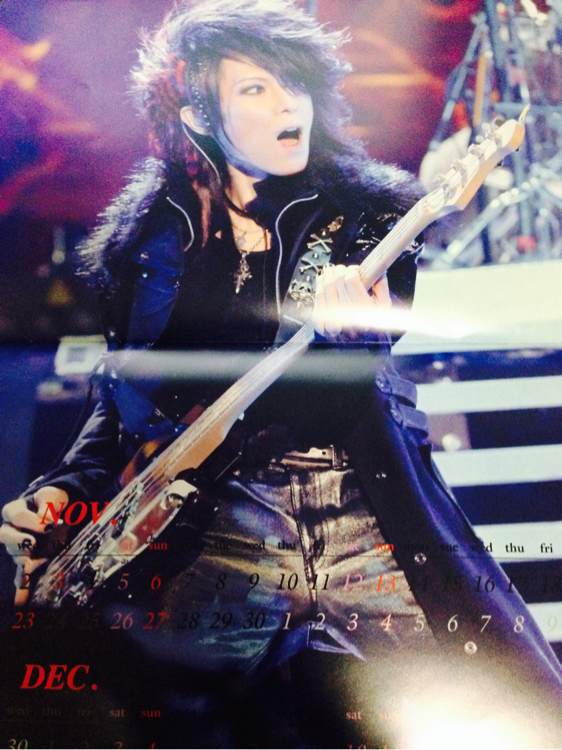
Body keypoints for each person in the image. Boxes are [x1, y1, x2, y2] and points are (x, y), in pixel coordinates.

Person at [1, 0, 560, 746]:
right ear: (200, 115)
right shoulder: (145, 245)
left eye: (292, 83)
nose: (286, 102)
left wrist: (352, 330)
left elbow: (362, 365)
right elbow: (123, 402)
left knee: (502, 712)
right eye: (255, 88)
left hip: (362, 510)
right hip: (223, 519)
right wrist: (65, 489)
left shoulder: (366, 213)